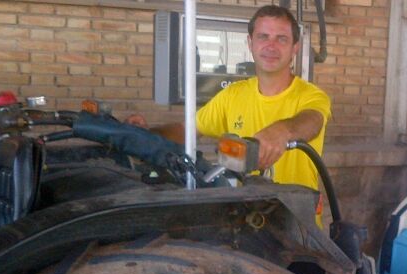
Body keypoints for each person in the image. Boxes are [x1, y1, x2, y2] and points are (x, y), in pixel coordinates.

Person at [132, 5, 331, 192]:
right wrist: (142, 135)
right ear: (250, 43)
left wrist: (282, 131)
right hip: (245, 211)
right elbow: (187, 131)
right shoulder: (233, 95)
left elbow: (312, 121)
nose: (271, 46)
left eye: (281, 39)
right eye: (263, 37)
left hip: (297, 213)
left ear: (295, 47)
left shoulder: (311, 96)